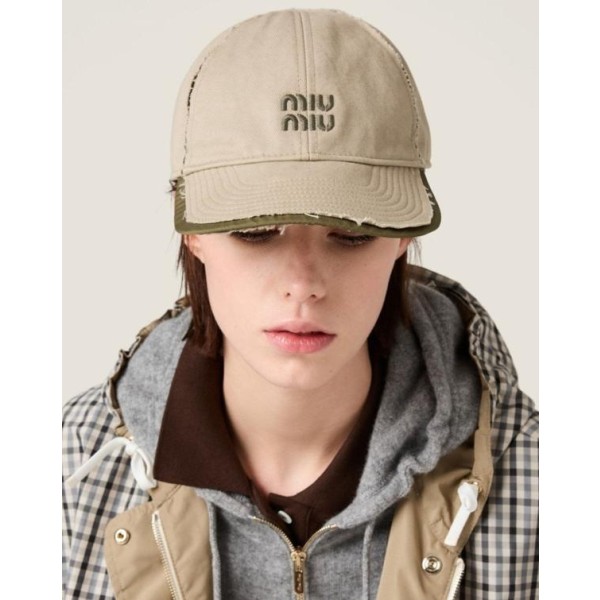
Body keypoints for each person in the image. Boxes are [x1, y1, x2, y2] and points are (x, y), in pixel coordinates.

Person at [62, 8, 538, 599]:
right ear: (192, 234)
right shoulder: (70, 464)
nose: (303, 283)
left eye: (352, 233)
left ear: (402, 238)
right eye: (255, 232)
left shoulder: (536, 481)